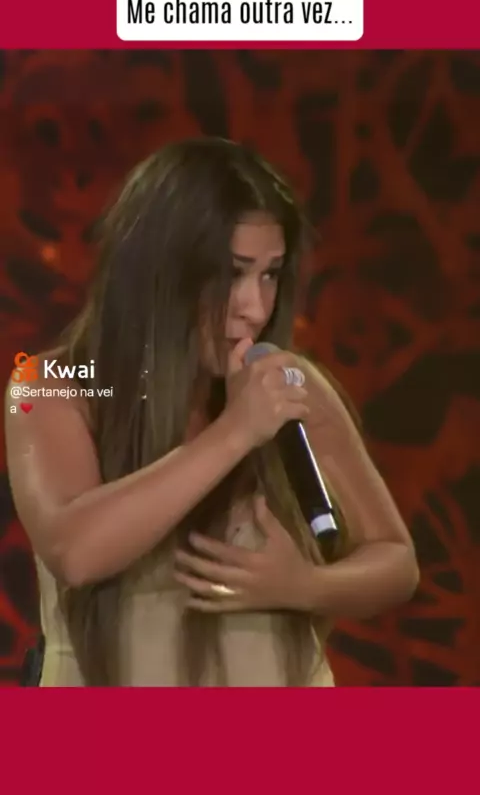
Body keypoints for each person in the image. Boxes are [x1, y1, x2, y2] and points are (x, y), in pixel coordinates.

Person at [4, 138, 419, 687]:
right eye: (233, 273)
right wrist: (236, 431)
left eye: (270, 274)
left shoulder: (288, 387)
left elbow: (395, 562)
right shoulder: (51, 383)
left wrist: (304, 587)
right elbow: (75, 551)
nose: (255, 308)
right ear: (160, 270)